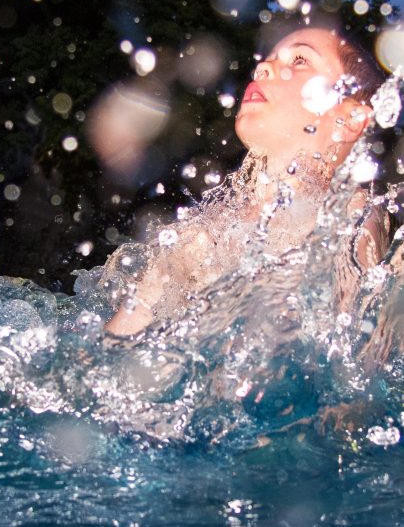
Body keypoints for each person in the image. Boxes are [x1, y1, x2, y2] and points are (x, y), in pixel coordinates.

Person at [104, 19, 388, 336]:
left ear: (349, 119)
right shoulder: (200, 233)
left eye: (300, 60)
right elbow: (114, 350)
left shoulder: (352, 214)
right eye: (268, 58)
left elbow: (342, 345)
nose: (263, 67)